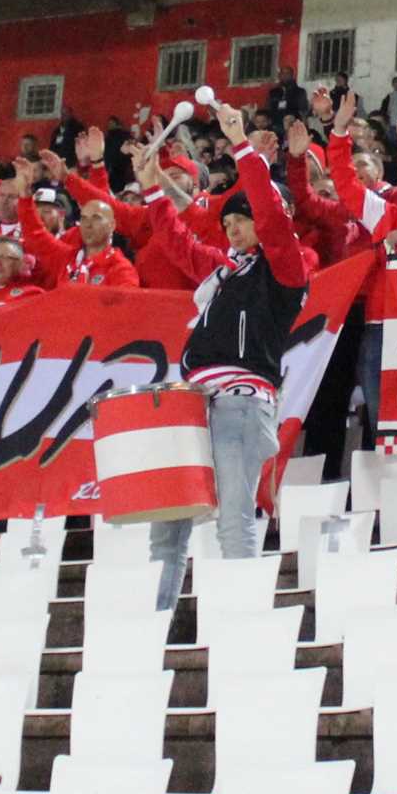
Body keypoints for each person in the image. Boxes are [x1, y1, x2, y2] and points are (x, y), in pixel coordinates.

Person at [140, 105, 313, 611]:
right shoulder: (224, 273)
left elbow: (274, 220)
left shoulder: (285, 270)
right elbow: (179, 245)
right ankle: (155, 625)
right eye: (229, 222)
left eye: (244, 220)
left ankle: (243, 624)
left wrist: (241, 147)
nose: (233, 229)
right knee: (167, 525)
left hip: (240, 402)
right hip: (193, 404)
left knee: (234, 519)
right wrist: (152, 190)